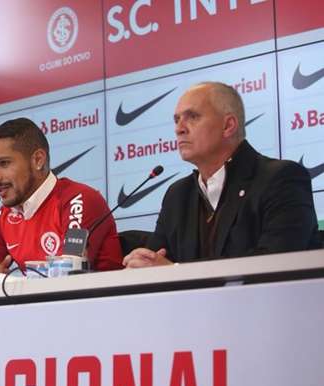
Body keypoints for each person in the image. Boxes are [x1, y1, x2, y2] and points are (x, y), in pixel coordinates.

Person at [123, 82, 320, 268]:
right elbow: (157, 260)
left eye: (192, 117)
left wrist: (175, 270)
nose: (179, 129)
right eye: (176, 120)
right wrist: (141, 264)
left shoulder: (281, 179)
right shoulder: (178, 195)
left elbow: (275, 264)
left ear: (228, 126)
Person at [0, 118, 123, 285]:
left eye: (4, 163)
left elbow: (65, 281)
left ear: (38, 160)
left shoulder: (79, 199)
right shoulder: (3, 217)